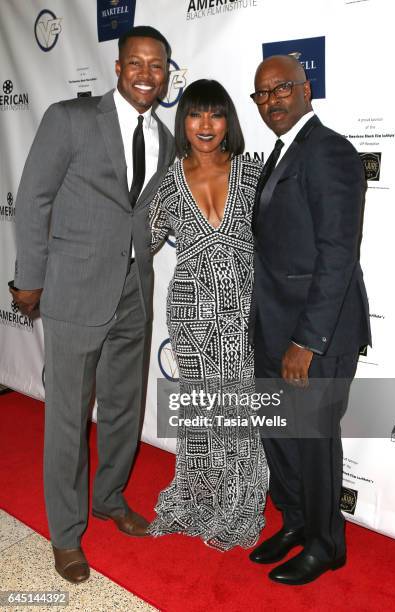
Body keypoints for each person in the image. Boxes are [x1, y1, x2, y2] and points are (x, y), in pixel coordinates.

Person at [9, 26, 175, 583]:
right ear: (119, 66)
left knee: (125, 406)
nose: (147, 73)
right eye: (137, 63)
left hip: (134, 290)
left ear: (167, 72)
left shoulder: (168, 137)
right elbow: (33, 196)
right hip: (74, 289)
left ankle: (108, 497)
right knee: (67, 417)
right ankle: (65, 533)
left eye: (157, 65)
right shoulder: (71, 118)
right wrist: (28, 279)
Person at [248, 55, 371, 584]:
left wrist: (308, 340)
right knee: (281, 437)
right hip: (274, 328)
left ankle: (327, 544)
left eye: (281, 89)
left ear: (306, 90)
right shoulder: (281, 154)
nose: (271, 100)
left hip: (316, 336)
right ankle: (296, 522)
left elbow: (338, 252)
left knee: (314, 443)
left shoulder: (329, 151)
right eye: (262, 94)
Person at [149, 79, 268, 550]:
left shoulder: (253, 174)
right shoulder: (169, 180)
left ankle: (239, 501)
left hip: (242, 313)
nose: (205, 125)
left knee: (237, 407)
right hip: (191, 315)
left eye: (215, 115)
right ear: (184, 121)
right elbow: (141, 241)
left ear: (227, 122)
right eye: (196, 115)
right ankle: (199, 498)